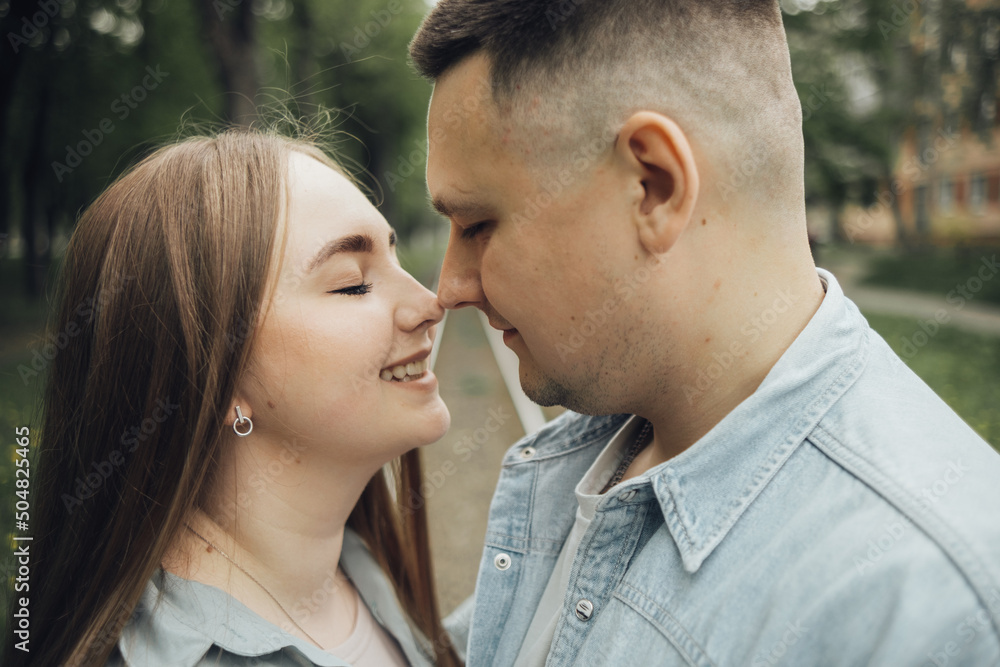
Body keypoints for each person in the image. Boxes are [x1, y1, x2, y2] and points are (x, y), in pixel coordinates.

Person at [409, 1, 1000, 665]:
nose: (449, 288)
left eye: (477, 225)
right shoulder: (599, 443)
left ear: (653, 186)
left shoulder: (932, 610)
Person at [1, 130, 461, 667]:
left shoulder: (362, 567)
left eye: (395, 257)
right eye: (353, 283)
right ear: (213, 382)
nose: (430, 304)